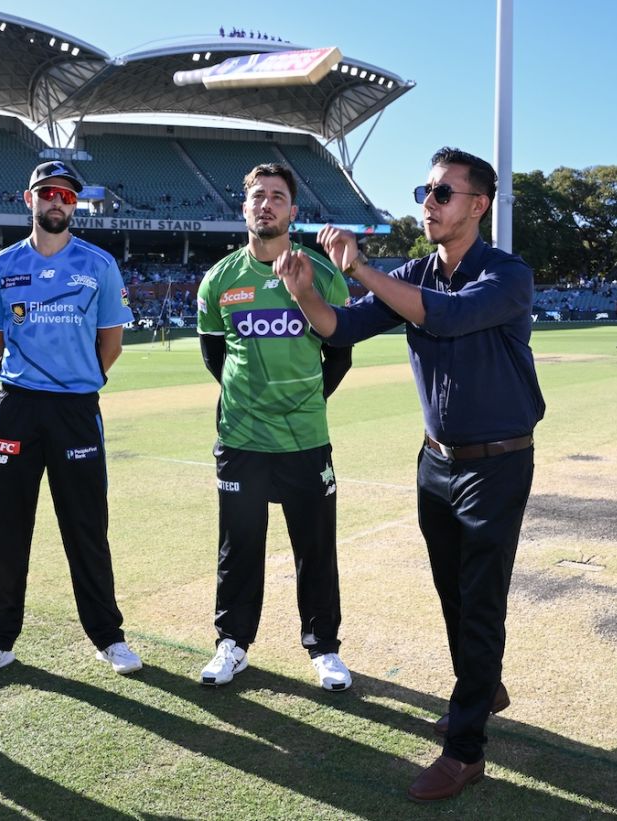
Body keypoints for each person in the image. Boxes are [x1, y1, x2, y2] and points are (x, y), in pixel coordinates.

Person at [275, 148, 546, 801]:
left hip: (498, 462)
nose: (428, 202)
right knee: (455, 594)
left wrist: (361, 266)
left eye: (442, 193)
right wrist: (307, 291)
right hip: (436, 462)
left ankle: (465, 749)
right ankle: (486, 687)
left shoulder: (508, 274)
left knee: (480, 599)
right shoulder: (418, 271)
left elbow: (444, 317)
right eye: (424, 191)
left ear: (478, 205)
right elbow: (342, 327)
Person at [0, 160, 142, 681]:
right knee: (8, 526)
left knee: (86, 526)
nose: (57, 202)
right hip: (17, 406)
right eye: (48, 194)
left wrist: (75, 380)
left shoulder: (100, 265)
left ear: (75, 205)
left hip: (76, 410)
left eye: (66, 195)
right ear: (30, 199)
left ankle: (108, 636)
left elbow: (111, 343)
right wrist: (29, 378)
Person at [195, 162, 353, 691]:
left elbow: (340, 356)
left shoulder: (322, 274)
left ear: (292, 211)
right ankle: (232, 644)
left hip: (305, 439)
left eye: (278, 197)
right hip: (241, 439)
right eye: (258, 196)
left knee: (315, 546)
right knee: (239, 545)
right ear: (244, 207)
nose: (266, 204)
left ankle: (324, 648)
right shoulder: (220, 280)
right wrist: (253, 403)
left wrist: (301, 401)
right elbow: (215, 356)